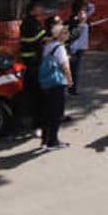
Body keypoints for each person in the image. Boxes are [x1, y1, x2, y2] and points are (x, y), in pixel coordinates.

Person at [33, 21, 71, 152]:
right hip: (57, 83)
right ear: (59, 35)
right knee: (56, 113)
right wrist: (70, 80)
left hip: (46, 82)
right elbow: (65, 66)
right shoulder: (60, 48)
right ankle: (53, 141)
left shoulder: (48, 45)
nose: (68, 34)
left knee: (47, 112)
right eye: (65, 32)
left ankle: (45, 139)